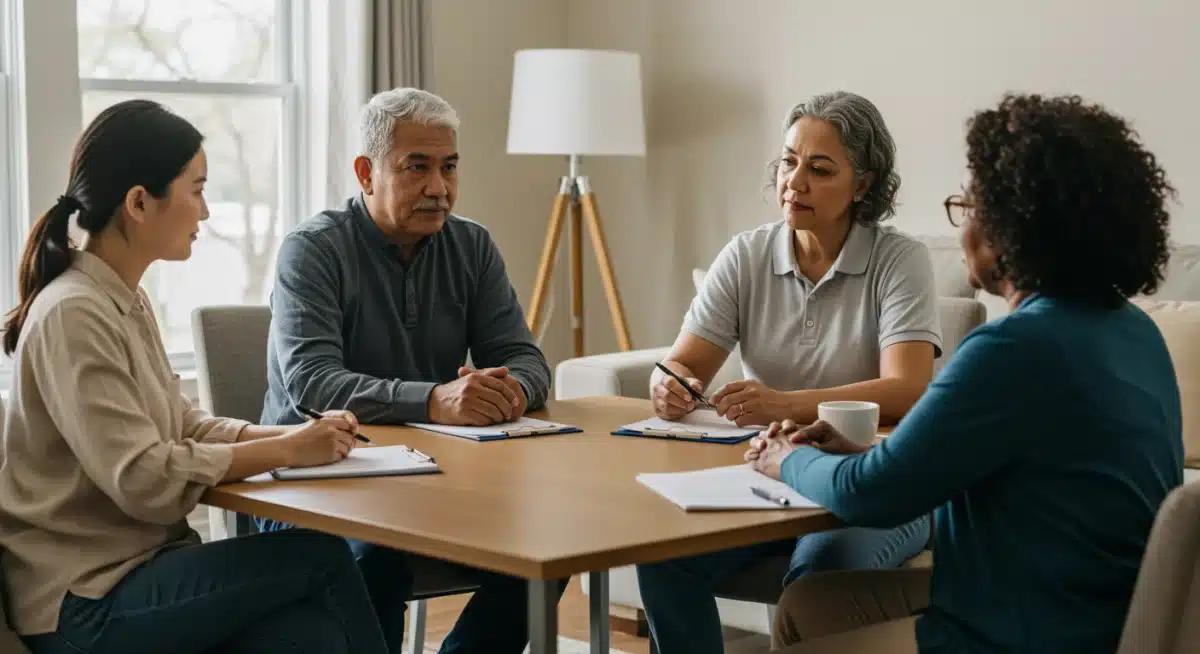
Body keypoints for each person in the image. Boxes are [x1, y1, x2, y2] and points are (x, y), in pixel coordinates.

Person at [750, 93, 1183, 653]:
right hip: (1100, 617)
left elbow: (869, 496)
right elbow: (1010, 470)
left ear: (1013, 225)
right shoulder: (1136, 332)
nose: (961, 227)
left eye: (969, 206)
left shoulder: (1013, 349)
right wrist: (856, 452)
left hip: (1019, 632)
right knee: (809, 605)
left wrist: (786, 458)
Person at [0, 100, 389, 654]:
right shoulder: (74, 313)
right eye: (197, 190)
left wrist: (297, 436)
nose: (205, 212)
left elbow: (182, 424)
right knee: (321, 557)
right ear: (139, 202)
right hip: (85, 601)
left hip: (145, 571)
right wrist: (288, 451)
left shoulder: (124, 300)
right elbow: (143, 478)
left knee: (314, 635)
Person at [258, 87, 562, 654]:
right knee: (378, 555)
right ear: (366, 173)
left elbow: (526, 359)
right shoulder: (312, 249)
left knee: (550, 539)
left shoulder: (471, 245)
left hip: (433, 484)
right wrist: (435, 400)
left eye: (449, 167)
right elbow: (313, 383)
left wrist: (509, 392)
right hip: (311, 484)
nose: (439, 187)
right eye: (417, 167)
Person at [638, 91, 941, 654]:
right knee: (663, 557)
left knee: (820, 573)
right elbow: (684, 363)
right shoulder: (746, 255)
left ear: (863, 185)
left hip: (873, 484)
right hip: (770, 477)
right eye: (788, 161)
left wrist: (783, 404)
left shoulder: (900, 260)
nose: (793, 182)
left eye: (819, 170)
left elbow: (908, 388)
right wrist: (669, 384)